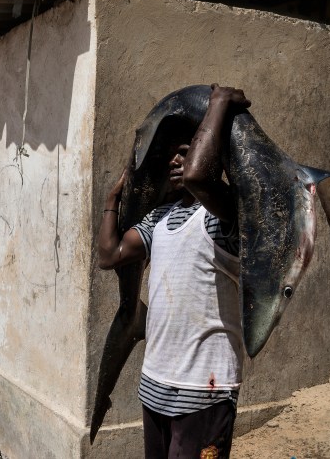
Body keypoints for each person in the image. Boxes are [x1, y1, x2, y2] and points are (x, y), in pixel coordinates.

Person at [98, 84, 251, 458]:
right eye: (170, 156)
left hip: (204, 389)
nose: (175, 162)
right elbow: (110, 255)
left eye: (186, 152)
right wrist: (111, 201)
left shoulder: (227, 214)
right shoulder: (161, 218)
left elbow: (200, 179)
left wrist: (219, 102)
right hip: (156, 385)